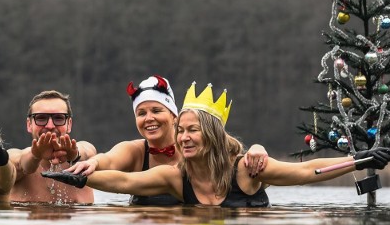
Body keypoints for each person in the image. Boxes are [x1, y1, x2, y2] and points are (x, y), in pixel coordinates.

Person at [43, 82, 390, 206]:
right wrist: (82, 177)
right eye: (181, 131)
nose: (183, 137)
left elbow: (306, 171)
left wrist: (361, 160)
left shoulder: (247, 169)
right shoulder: (173, 177)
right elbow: (121, 181)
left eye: (192, 130)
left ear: (211, 134)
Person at [66, 75, 268, 205]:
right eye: (141, 113)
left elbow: (241, 166)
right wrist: (93, 162)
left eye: (156, 110)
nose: (149, 118)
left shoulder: (201, 148)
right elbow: (109, 161)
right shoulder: (135, 151)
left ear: (174, 116)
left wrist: (259, 149)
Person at [8, 90, 97, 203]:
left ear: (69, 124)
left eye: (58, 118)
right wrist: (35, 156)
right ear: (29, 125)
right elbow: (19, 163)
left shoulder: (86, 157)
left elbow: (88, 150)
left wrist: (74, 155)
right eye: (41, 118)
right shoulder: (15, 158)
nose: (50, 126)